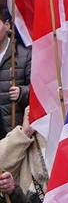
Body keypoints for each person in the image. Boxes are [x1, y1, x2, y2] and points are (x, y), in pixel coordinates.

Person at [0, 7, 29, 135]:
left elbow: (40, 90)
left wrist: (22, 92)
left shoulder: (24, 54)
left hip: (14, 132)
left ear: (7, 25)